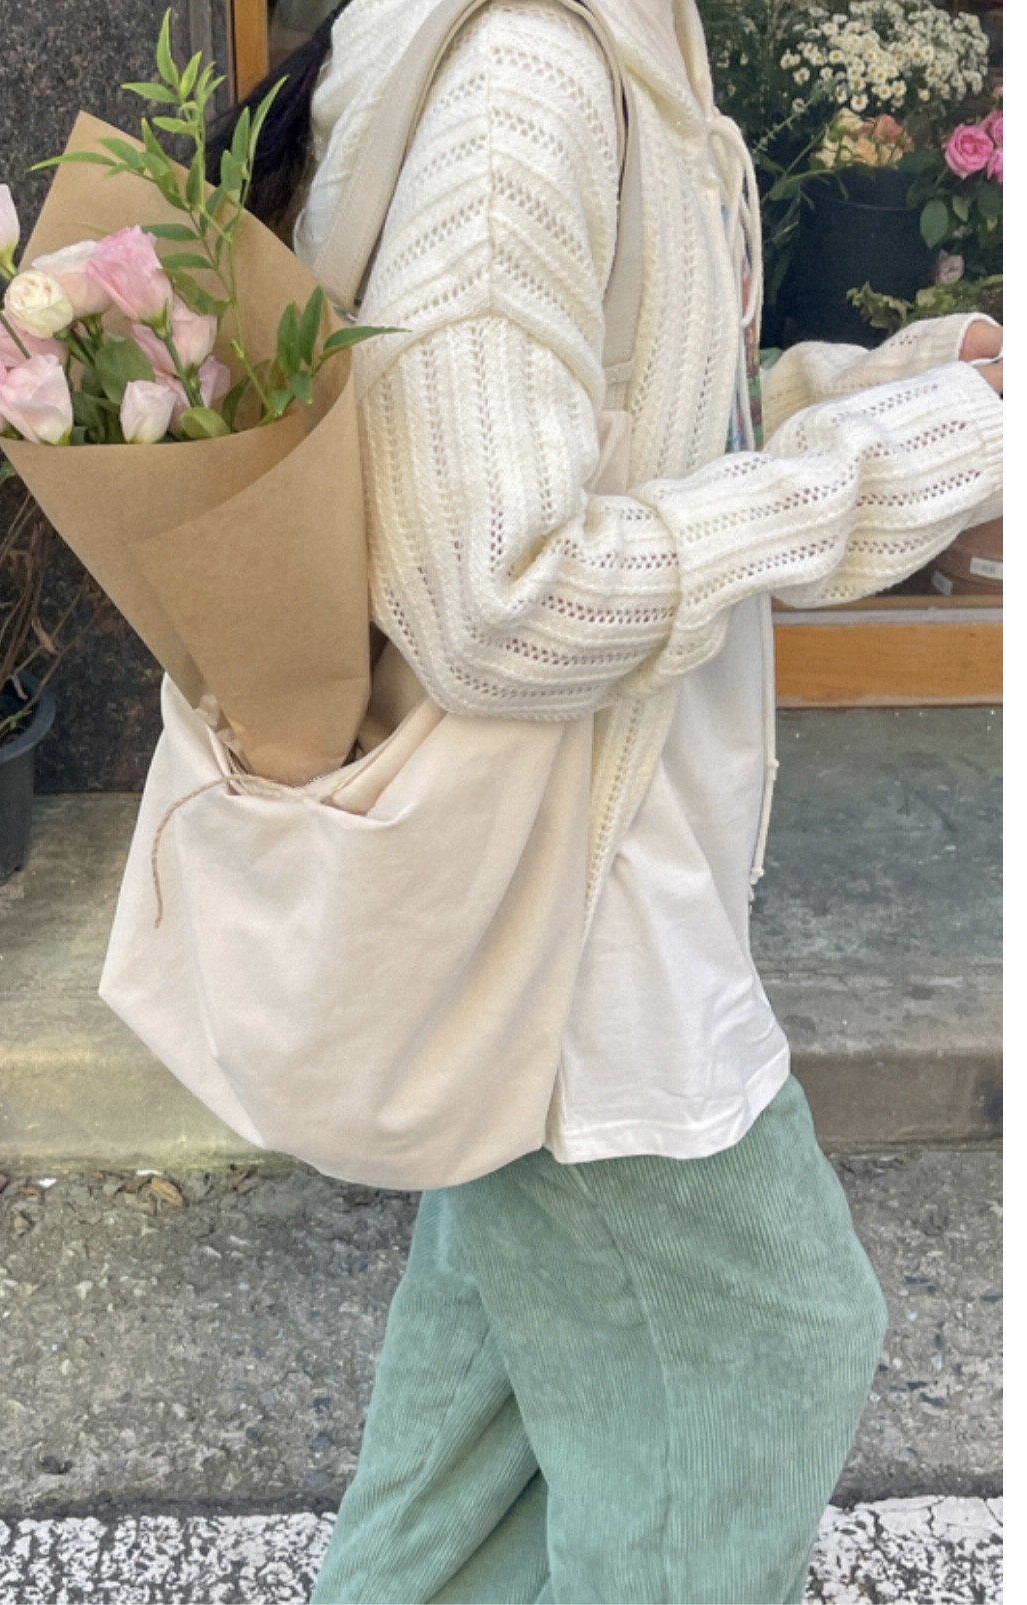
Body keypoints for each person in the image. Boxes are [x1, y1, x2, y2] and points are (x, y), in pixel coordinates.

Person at [208, 1, 1003, 1600]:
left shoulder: (600, 49)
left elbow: (643, 408)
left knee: (473, 1467)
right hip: (577, 927)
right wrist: (922, 454)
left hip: (561, 885)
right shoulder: (530, 83)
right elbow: (498, 594)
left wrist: (907, 384)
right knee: (769, 1354)